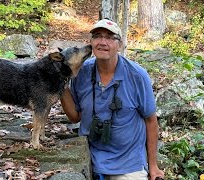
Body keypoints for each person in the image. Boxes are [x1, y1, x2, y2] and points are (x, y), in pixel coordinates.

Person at [60, 18, 164, 180]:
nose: (103, 42)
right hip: (93, 157)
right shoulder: (82, 72)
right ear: (91, 42)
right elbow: (75, 117)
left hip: (129, 162)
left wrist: (153, 166)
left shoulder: (137, 76)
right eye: (97, 36)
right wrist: (60, 81)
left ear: (120, 44)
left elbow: (151, 121)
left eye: (110, 37)